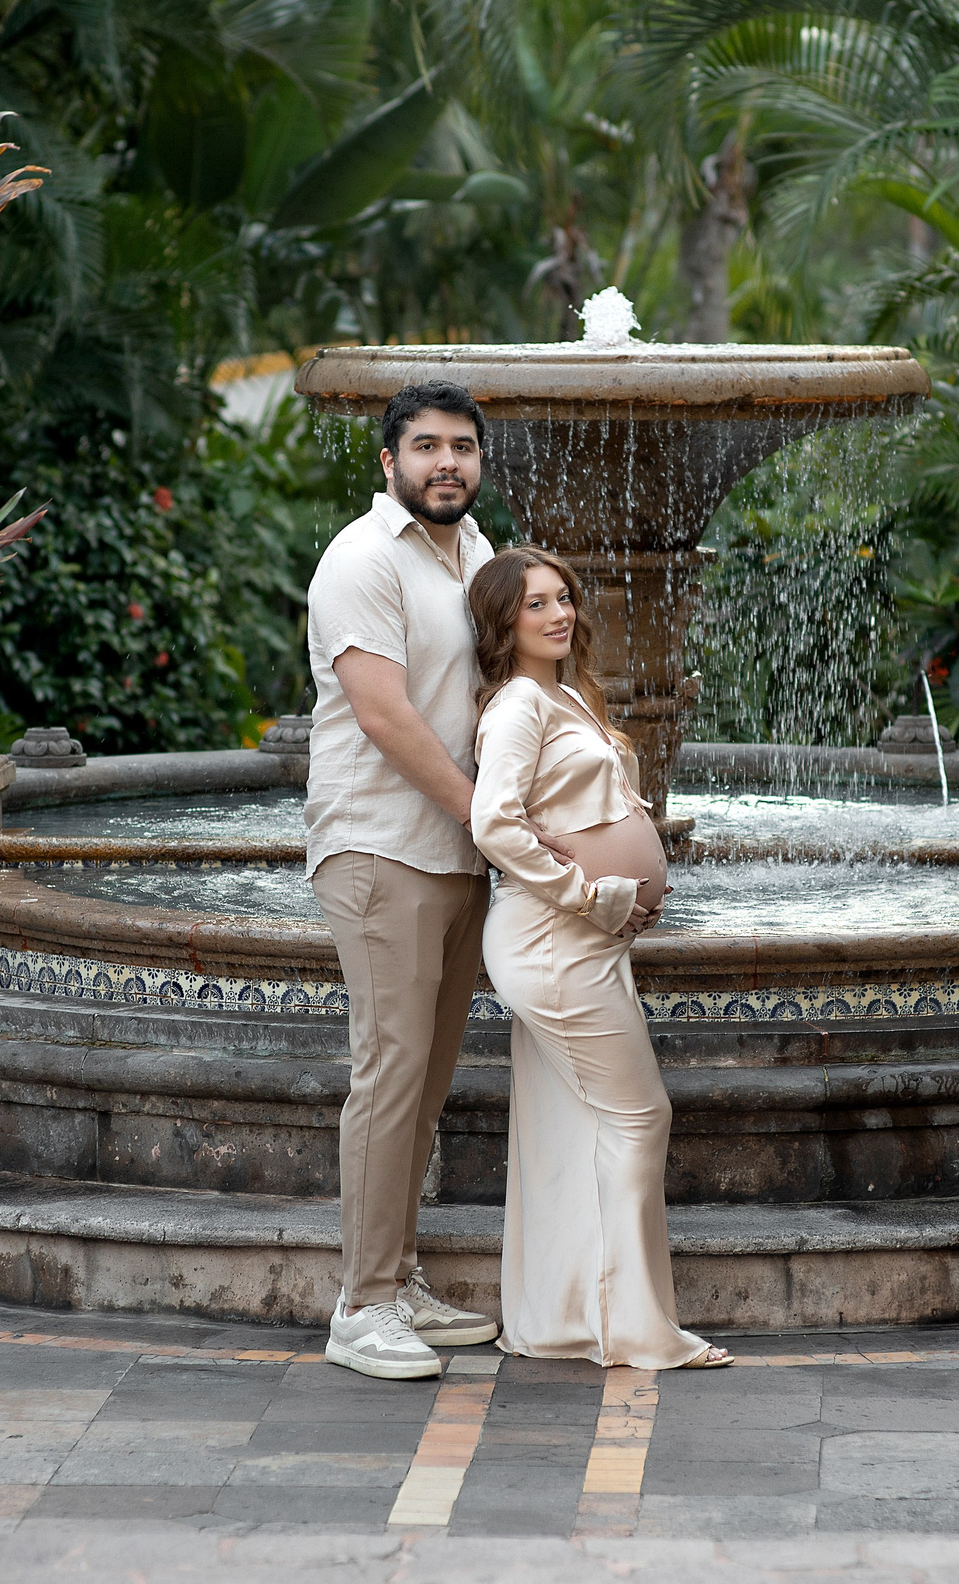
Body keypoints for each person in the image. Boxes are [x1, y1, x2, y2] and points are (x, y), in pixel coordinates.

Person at [464, 545, 733, 1370]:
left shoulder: (569, 696)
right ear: (503, 622)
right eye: (535, 604)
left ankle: (559, 1322)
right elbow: (493, 824)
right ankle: (639, 1328)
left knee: (567, 1126)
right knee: (638, 1115)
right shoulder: (517, 705)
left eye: (563, 599)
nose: (557, 614)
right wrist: (594, 894)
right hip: (553, 939)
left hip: (583, 940)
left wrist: (625, 897)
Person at [305, 379, 509, 1380]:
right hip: (380, 845)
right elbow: (382, 715)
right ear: (388, 461)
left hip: (459, 852)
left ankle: (398, 1272)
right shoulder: (361, 558)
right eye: (425, 445)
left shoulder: (471, 555)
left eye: (462, 446)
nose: (446, 462)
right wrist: (487, 814)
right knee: (388, 1078)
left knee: (424, 1085)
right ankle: (360, 1305)